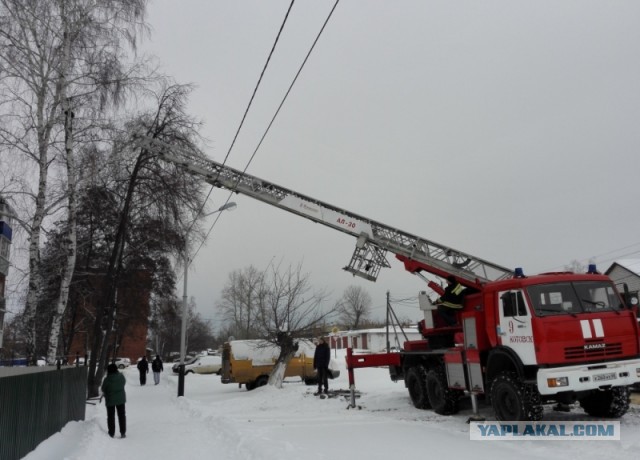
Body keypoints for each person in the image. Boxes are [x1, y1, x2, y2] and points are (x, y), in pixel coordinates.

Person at [101, 363, 126, 438]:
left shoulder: (107, 379)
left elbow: (103, 389)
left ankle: (111, 433)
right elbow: (123, 383)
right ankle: (123, 432)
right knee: (121, 415)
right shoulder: (121, 377)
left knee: (111, 416)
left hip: (110, 399)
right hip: (121, 399)